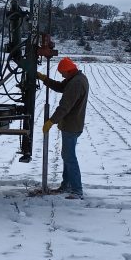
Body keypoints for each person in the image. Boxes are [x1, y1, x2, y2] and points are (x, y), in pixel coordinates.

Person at [38, 57, 89, 199]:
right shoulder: (75, 78)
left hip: (72, 126)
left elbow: (64, 107)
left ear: (68, 70)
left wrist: (51, 121)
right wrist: (44, 79)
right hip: (72, 124)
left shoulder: (76, 83)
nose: (61, 76)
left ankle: (77, 190)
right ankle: (66, 185)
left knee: (69, 157)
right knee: (67, 155)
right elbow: (61, 87)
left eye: (62, 73)